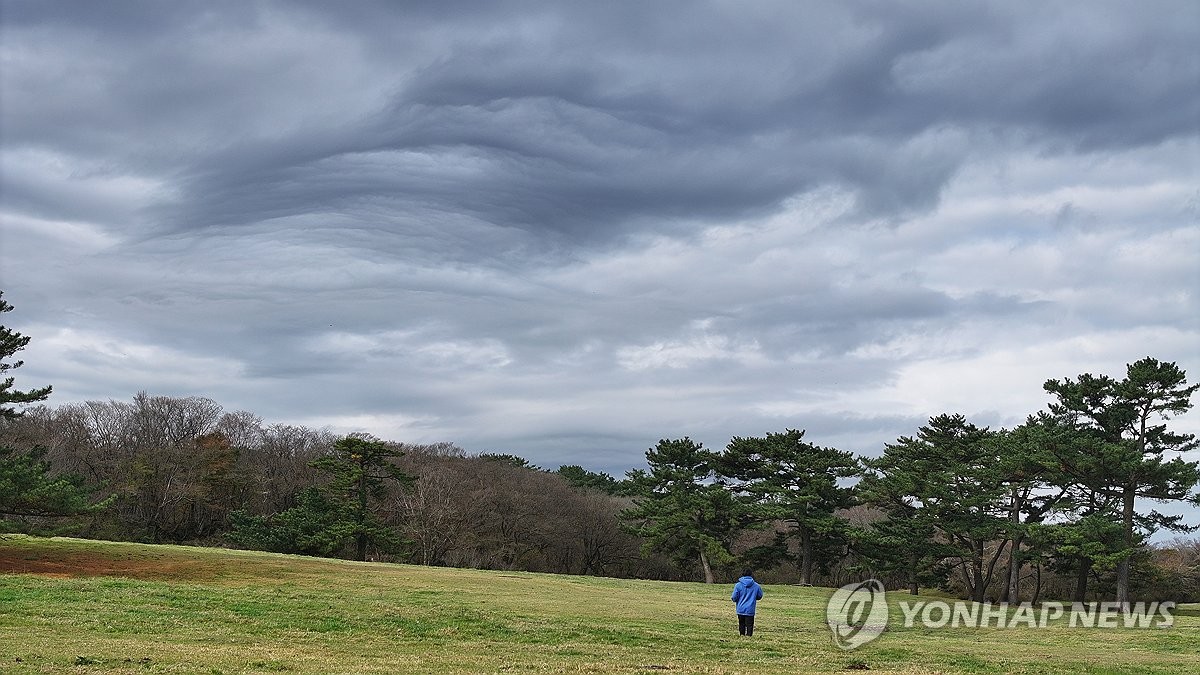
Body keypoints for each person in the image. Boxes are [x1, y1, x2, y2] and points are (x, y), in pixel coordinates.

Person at [731, 568, 764, 636]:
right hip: (750, 609)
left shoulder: (738, 585)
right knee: (750, 625)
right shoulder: (756, 586)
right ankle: (749, 636)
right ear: (751, 575)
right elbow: (760, 596)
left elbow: (734, 598)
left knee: (741, 624)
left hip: (740, 608)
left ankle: (742, 635)